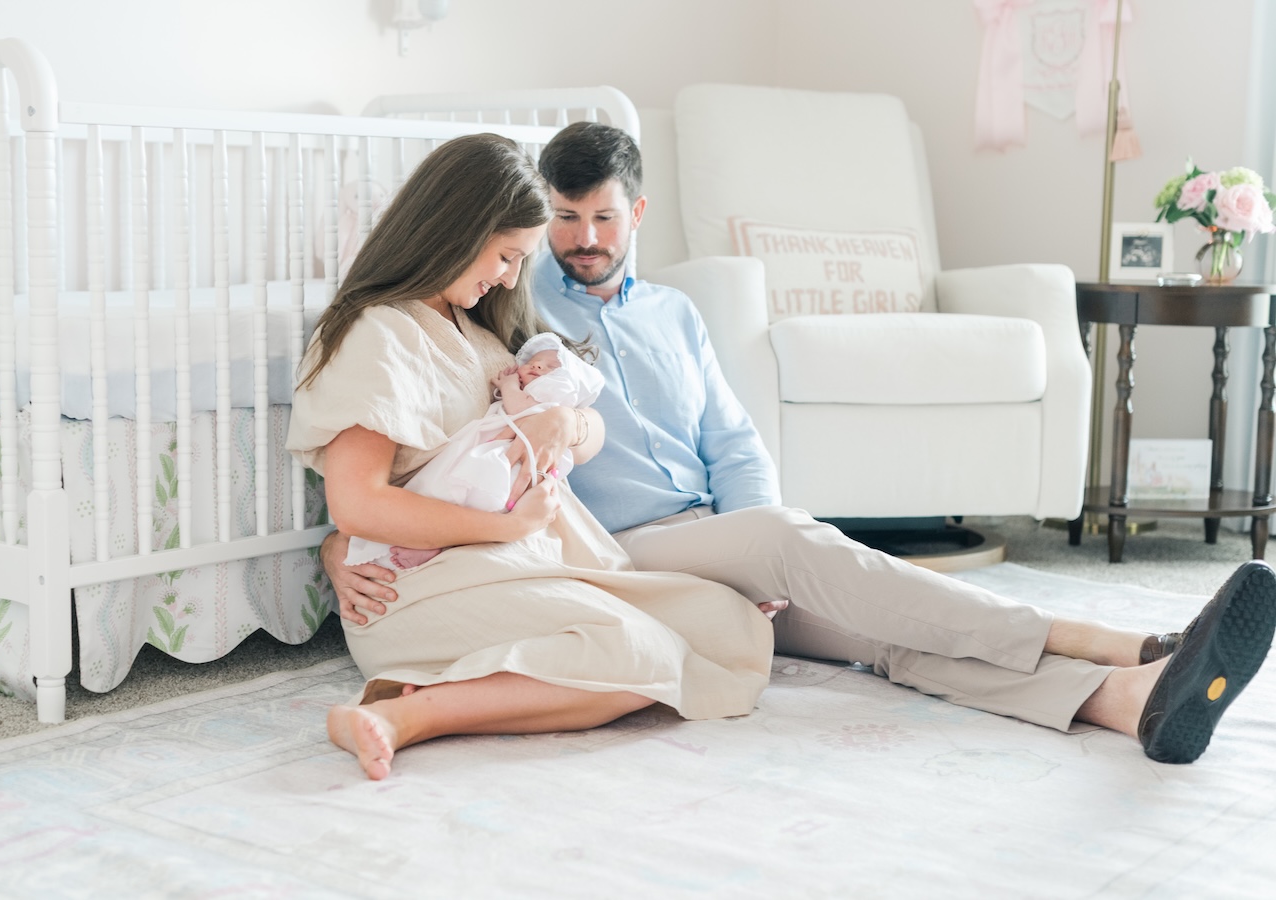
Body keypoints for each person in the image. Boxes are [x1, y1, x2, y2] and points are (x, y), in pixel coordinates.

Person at [323, 121, 1276, 766]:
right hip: (620, 547)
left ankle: (1127, 699)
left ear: (635, 215)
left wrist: (750, 528)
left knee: (876, 628)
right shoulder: (521, 309)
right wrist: (337, 548)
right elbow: (426, 454)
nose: (577, 239)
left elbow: (732, 437)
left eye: (599, 217)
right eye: (559, 222)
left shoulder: (674, 312)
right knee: (799, 547)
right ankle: (1124, 637)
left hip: (715, 529)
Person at [287, 133, 774, 782]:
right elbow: (357, 501)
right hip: (426, 584)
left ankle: (472, 683)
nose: (512, 277)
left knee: (724, 625)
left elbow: (582, 429)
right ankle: (405, 716)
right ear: (458, 231)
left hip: (518, 560)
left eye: (522, 260)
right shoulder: (381, 331)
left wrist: (566, 422)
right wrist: (506, 527)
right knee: (640, 651)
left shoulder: (483, 329)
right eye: (507, 256)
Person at [341, 330, 604, 571]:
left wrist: (509, 385)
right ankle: (437, 543)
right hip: (504, 458)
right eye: (533, 361)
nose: (537, 365)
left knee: (474, 496)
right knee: (464, 500)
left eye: (551, 366)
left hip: (510, 461)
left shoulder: (552, 395)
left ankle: (437, 545)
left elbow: (519, 408)